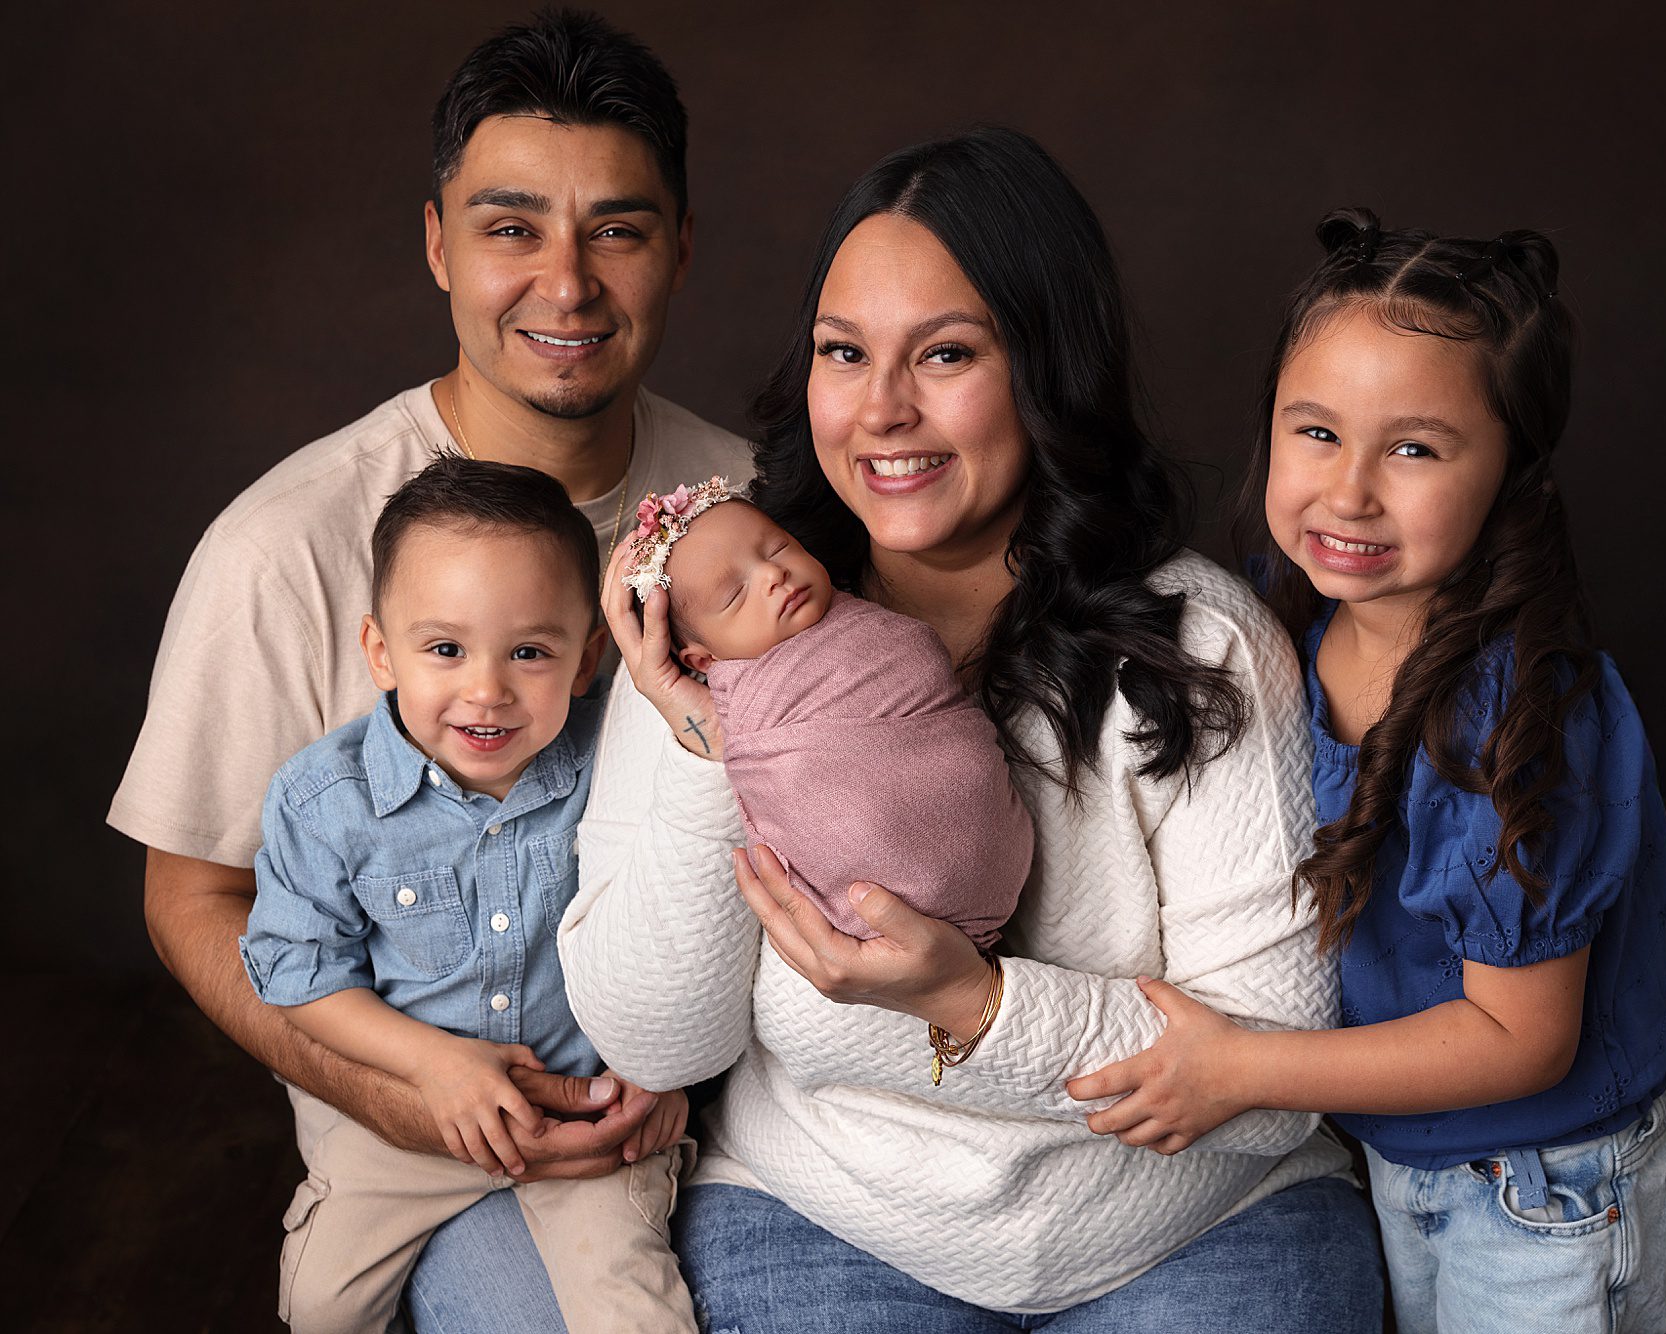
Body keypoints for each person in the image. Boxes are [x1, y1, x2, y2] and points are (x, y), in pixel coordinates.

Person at [560, 127, 1384, 1331]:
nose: (883, 410)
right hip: (832, 1214)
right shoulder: (724, 610)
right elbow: (654, 1037)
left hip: (1192, 1221)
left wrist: (978, 1006)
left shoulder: (1197, 643)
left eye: (945, 352)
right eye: (844, 353)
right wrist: (701, 739)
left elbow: (1266, 1074)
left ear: (1045, 366)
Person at [107, 11, 745, 1326]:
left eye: (615, 231)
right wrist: (411, 1091)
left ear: (680, 250)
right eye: (512, 227)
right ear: (438, 242)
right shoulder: (288, 545)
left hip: (733, 1104)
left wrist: (695, 1063)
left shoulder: (755, 517)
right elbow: (197, 895)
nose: (565, 285)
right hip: (420, 1137)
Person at [1065, 209, 1666, 1333]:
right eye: (1314, 432)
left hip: (1549, 1178)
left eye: (1412, 448)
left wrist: (1241, 1069)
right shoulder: (1293, 616)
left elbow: (1519, 1037)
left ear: (1509, 470)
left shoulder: (1523, 718)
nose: (1348, 490)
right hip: (1394, 1147)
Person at [240, 457, 694, 1333]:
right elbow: (298, 972)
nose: (486, 690)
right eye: (445, 649)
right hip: (407, 1122)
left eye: (530, 652)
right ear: (381, 650)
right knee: (321, 1304)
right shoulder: (323, 800)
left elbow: (684, 915)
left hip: (588, 1120)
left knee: (636, 1315)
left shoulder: (628, 763)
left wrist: (663, 1070)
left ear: (590, 656)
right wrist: (430, 1065)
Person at [616, 474, 1031, 947]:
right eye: (735, 594)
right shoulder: (743, 701)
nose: (774, 575)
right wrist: (696, 723)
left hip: (981, 829)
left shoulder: (861, 617)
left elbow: (919, 664)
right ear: (705, 661)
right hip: (869, 892)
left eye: (777, 549)